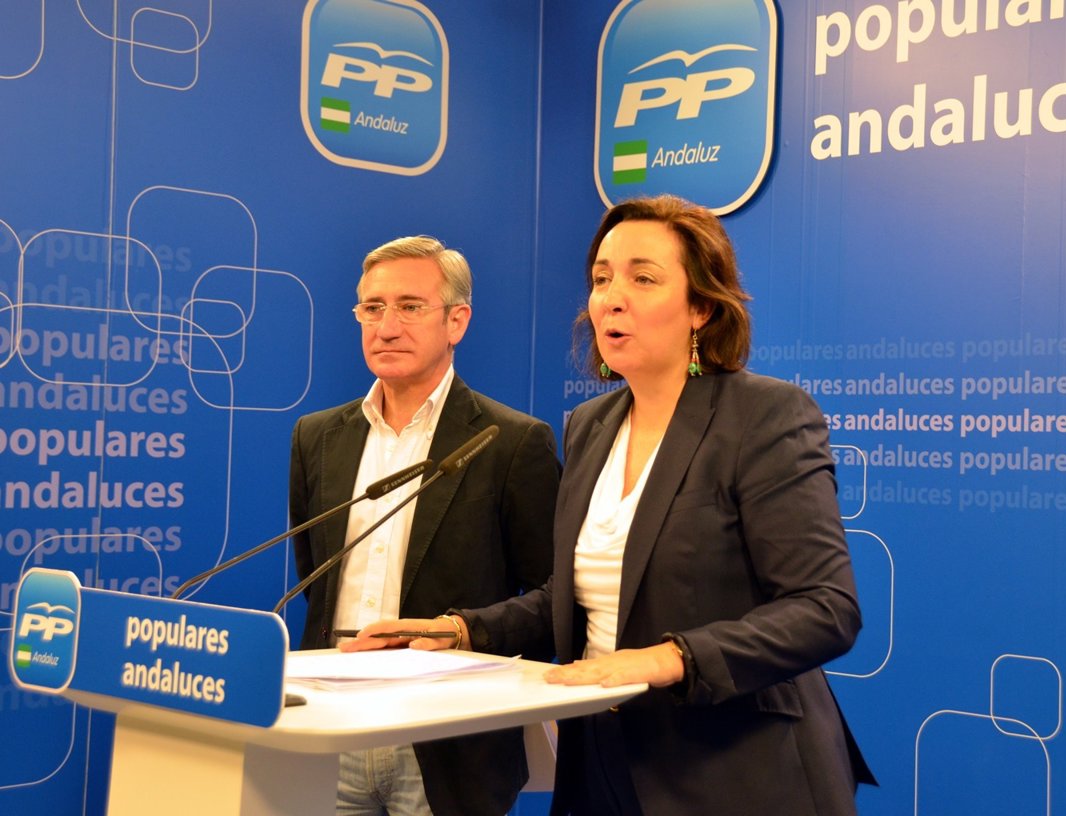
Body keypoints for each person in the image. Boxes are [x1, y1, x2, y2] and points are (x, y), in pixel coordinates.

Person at [342, 197, 876, 814]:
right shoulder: (591, 425)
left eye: (643, 278)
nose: (611, 298)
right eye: (601, 279)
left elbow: (825, 609)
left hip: (734, 769)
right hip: (604, 759)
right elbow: (572, 598)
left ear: (701, 307)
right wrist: (459, 629)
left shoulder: (763, 416)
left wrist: (669, 658)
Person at [288, 235, 560, 815]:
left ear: (456, 321)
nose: (386, 327)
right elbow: (317, 580)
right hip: (330, 731)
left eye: (410, 307)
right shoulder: (317, 436)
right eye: (373, 308)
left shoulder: (511, 443)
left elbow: (553, 601)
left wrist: (456, 632)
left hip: (447, 741)